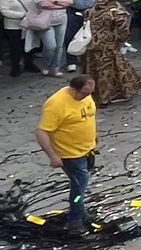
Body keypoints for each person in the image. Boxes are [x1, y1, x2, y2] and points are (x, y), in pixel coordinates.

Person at [35, 74, 99, 234]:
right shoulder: (56, 104)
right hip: (71, 155)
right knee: (79, 187)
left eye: (90, 93)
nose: (87, 96)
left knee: (82, 184)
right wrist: (52, 156)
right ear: (73, 89)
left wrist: (93, 134)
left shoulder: (86, 96)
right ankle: (75, 220)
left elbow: (88, 115)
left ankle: (80, 212)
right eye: (84, 93)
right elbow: (41, 132)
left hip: (87, 149)